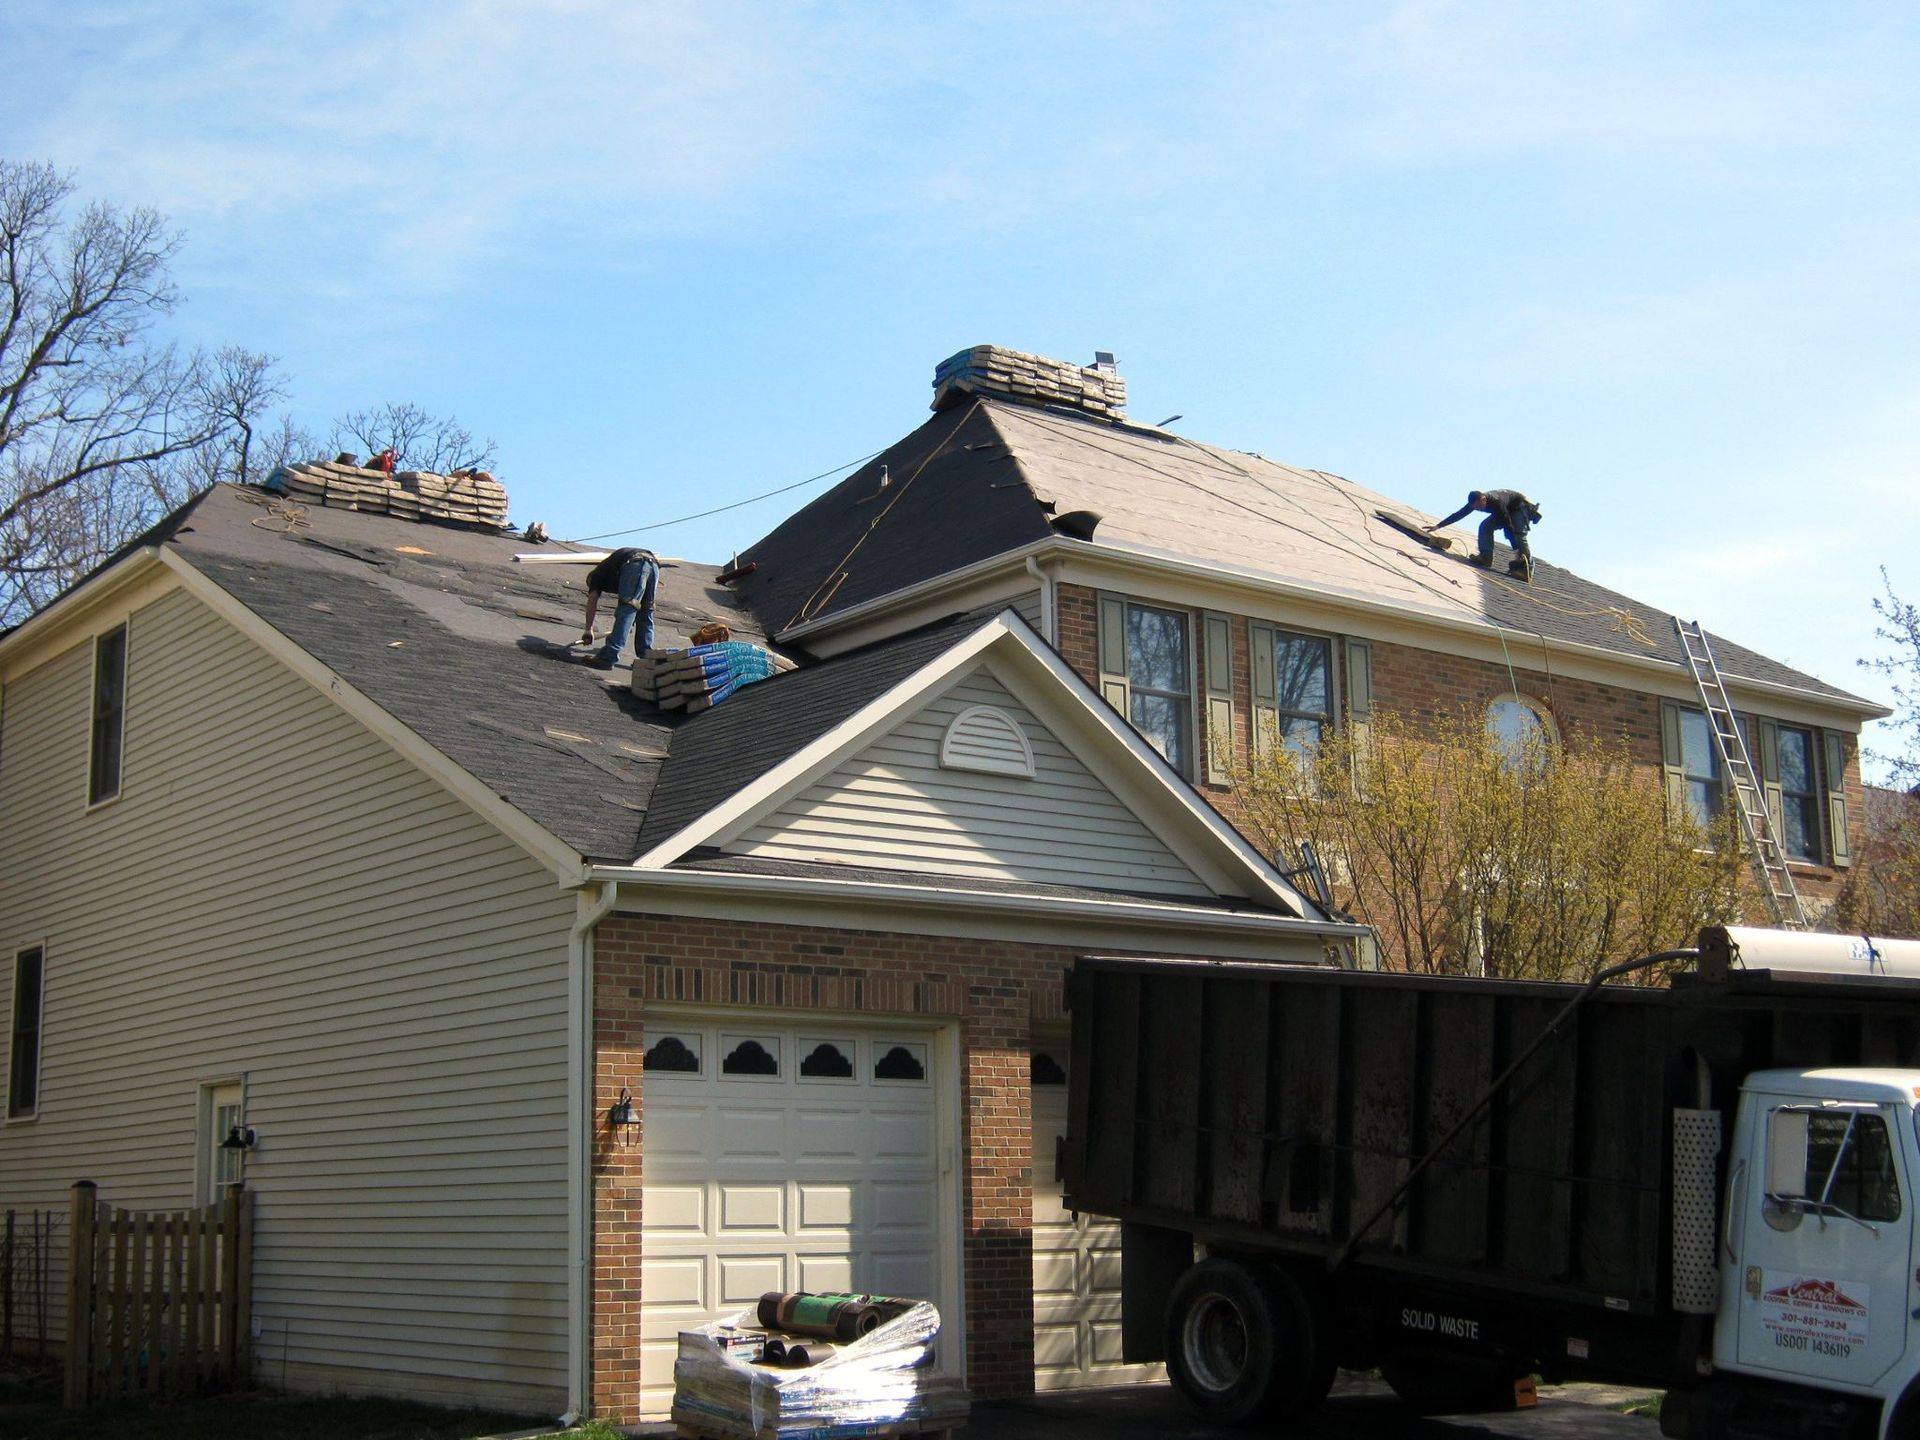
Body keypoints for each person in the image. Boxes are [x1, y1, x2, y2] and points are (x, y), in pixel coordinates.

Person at [578, 547, 659, 670]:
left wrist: (588, 629)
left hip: (635, 563)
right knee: (646, 611)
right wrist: (628, 625)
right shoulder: (612, 571)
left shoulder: (596, 577)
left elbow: (592, 601)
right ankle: (647, 659)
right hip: (653, 564)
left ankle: (607, 657)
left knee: (627, 607)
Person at [1428, 489, 1541, 574]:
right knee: (1485, 527)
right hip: (1505, 511)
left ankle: (1526, 568)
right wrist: (1438, 526)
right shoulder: (1475, 503)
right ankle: (1486, 558)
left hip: (1519, 507)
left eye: (1479, 506)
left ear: (1483, 499)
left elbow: (1507, 524)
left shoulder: (1497, 502)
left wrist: (1516, 548)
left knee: (1518, 533)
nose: (1479, 509)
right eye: (1475, 508)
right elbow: (1459, 515)